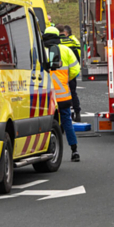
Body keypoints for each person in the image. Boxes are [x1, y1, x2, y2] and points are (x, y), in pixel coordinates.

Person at [43, 26, 81, 162]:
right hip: (63, 95)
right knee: (67, 122)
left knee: (45, 124)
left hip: (44, 97)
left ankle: (46, 151)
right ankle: (74, 150)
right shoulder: (66, 50)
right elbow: (75, 70)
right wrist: (65, 80)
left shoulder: (39, 51)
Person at [61, 25, 82, 121]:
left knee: (61, 95)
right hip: (71, 72)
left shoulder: (57, 44)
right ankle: (77, 113)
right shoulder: (72, 42)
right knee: (73, 93)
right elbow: (77, 58)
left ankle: (66, 115)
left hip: (59, 74)